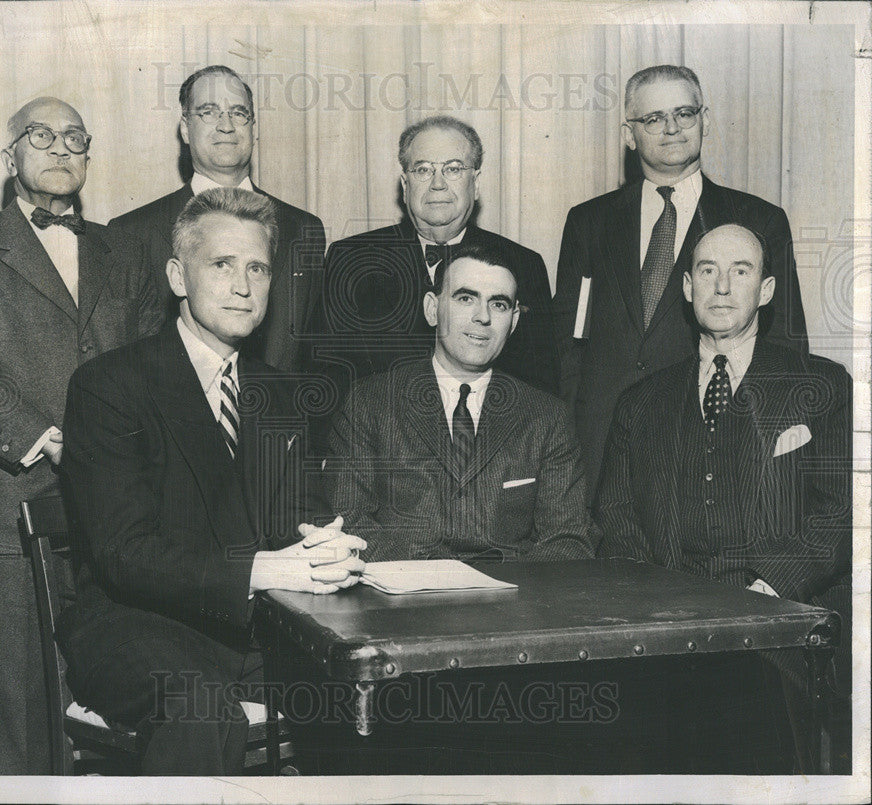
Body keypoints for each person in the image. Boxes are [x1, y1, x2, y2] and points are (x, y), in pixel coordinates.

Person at [57, 187, 365, 776]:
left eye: (258, 268)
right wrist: (265, 568)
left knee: (375, 687)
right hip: (135, 626)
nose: (244, 286)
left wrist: (325, 547)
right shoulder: (109, 384)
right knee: (202, 708)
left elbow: (301, 519)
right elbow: (123, 553)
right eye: (221, 265)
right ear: (178, 276)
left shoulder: (282, 395)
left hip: (255, 630)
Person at [0, 97, 162, 773]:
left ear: (87, 155)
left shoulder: (127, 250)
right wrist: (47, 436)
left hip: (113, 522)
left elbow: (150, 365)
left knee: (122, 714)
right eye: (41, 135)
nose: (59, 147)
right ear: (10, 157)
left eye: (74, 137)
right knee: (20, 731)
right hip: (4, 512)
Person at [595, 224, 851, 772]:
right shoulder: (641, 402)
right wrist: (654, 602)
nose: (723, 286)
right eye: (708, 271)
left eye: (742, 271)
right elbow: (615, 519)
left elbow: (841, 514)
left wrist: (768, 589)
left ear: (766, 289)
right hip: (663, 633)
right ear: (686, 287)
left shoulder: (822, 385)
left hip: (774, 631)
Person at [554, 65, 808, 496]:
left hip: (708, 446)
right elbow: (567, 346)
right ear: (629, 135)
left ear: (704, 121)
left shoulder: (758, 220)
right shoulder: (588, 221)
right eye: (653, 119)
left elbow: (786, 345)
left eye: (684, 114)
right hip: (598, 454)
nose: (671, 128)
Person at [324, 242, 594, 562]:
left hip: (511, 603)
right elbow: (347, 521)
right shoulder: (370, 404)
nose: (483, 317)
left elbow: (570, 538)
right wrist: (437, 573)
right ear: (431, 308)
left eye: (499, 304)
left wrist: (498, 588)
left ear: (515, 320)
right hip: (402, 600)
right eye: (466, 298)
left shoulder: (546, 417)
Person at [311, 115, 559, 401]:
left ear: (475, 183)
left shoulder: (523, 265)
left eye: (453, 169)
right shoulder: (350, 259)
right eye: (423, 170)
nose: (437, 184)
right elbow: (324, 381)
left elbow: (541, 388)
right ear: (405, 186)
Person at [110, 64, 326, 372]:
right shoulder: (132, 232)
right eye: (209, 112)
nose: (226, 125)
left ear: (255, 128)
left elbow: (311, 353)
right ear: (185, 128)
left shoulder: (304, 230)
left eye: (239, 113)